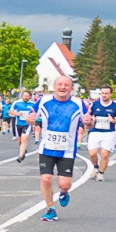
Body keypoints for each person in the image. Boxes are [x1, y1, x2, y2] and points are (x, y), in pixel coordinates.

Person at [28, 76, 88, 221]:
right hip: (46, 148)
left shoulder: (78, 103)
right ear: (54, 86)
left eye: (66, 85)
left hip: (67, 150)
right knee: (46, 179)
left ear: (71, 88)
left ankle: (63, 192)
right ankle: (50, 209)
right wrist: (29, 119)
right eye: (59, 84)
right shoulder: (43, 101)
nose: (62, 87)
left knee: (65, 183)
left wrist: (89, 122)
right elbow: (31, 116)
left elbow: (88, 122)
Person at [86, 85, 116, 181]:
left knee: (105, 154)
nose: (104, 95)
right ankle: (95, 167)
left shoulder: (114, 106)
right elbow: (88, 117)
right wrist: (92, 120)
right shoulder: (95, 104)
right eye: (102, 93)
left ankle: (101, 173)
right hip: (95, 132)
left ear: (111, 94)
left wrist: (113, 121)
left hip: (109, 133)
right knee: (92, 153)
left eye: (106, 93)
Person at [8, 89, 35, 162]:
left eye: (27, 96)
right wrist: (16, 114)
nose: (25, 97)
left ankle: (20, 156)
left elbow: (36, 113)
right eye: (24, 96)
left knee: (24, 139)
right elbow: (10, 111)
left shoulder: (33, 104)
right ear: (22, 96)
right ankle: (23, 150)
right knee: (19, 140)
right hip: (18, 123)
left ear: (30, 97)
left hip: (27, 124)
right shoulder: (17, 103)